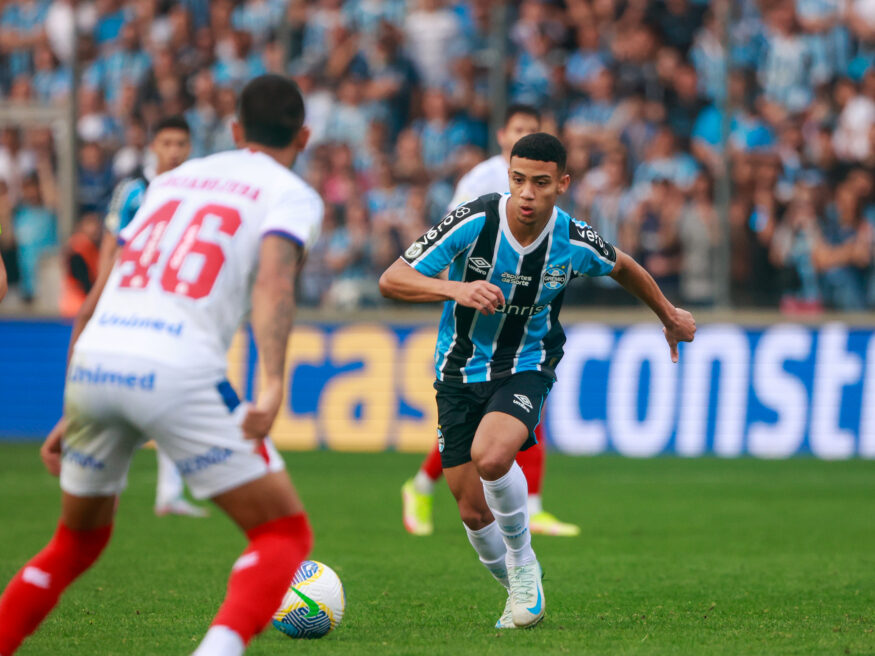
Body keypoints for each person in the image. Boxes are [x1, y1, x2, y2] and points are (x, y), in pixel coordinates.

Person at [0, 74, 324, 656]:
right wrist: (273, 384)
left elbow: (108, 285)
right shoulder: (289, 192)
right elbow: (275, 283)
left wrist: (73, 405)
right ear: (303, 135)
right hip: (177, 367)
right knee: (283, 533)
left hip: (98, 361)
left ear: (233, 129)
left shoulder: (171, 181)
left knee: (75, 542)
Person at [379, 133, 696, 629]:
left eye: (541, 183)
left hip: (526, 363)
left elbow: (624, 266)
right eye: (519, 180)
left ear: (562, 184)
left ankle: (525, 563)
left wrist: (668, 315)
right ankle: (520, 587)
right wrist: (454, 288)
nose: (527, 193)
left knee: (492, 455)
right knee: (471, 512)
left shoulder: (572, 239)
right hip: (458, 371)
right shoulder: (474, 219)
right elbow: (392, 279)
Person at [402, 104, 581, 538]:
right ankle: (423, 485)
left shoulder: (542, 178)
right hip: (473, 319)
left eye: (532, 128)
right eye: (518, 128)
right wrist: (458, 289)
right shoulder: (479, 184)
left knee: (515, 417)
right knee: (477, 431)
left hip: (520, 322)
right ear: (502, 135)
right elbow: (451, 240)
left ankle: (530, 509)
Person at [47, 115, 206, 517]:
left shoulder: (195, 191)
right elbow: (112, 242)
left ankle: (166, 492)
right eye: (167, 142)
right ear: (154, 146)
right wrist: (103, 290)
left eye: (181, 144)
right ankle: (93, 462)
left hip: (170, 303)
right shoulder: (135, 190)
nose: (174, 151)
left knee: (171, 392)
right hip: (129, 300)